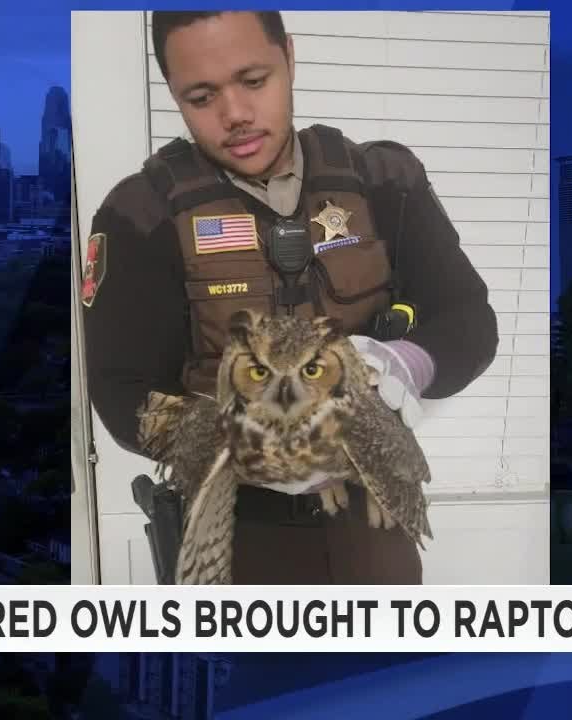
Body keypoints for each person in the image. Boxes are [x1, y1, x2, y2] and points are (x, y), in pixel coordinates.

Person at [82, 10, 497, 584]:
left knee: (390, 673)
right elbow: (117, 390)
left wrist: (408, 362)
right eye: (201, 97)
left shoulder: (384, 180)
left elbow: (470, 320)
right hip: (233, 528)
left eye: (254, 81)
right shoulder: (140, 216)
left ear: (290, 58)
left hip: (373, 515)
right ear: (174, 95)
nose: (235, 115)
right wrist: (238, 443)